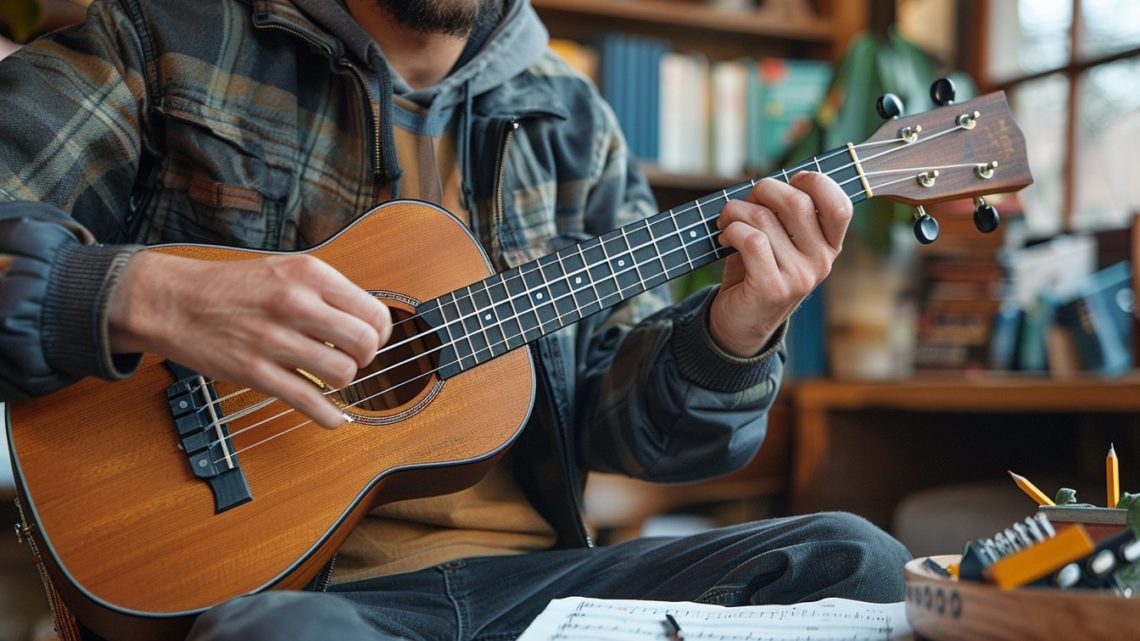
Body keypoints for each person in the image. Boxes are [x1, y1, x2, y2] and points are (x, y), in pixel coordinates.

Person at [0, 1, 911, 639]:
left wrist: (735, 333)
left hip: (536, 592)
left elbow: (636, 433)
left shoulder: (572, 120)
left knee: (854, 561)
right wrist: (144, 295)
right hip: (295, 597)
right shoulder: (167, 39)